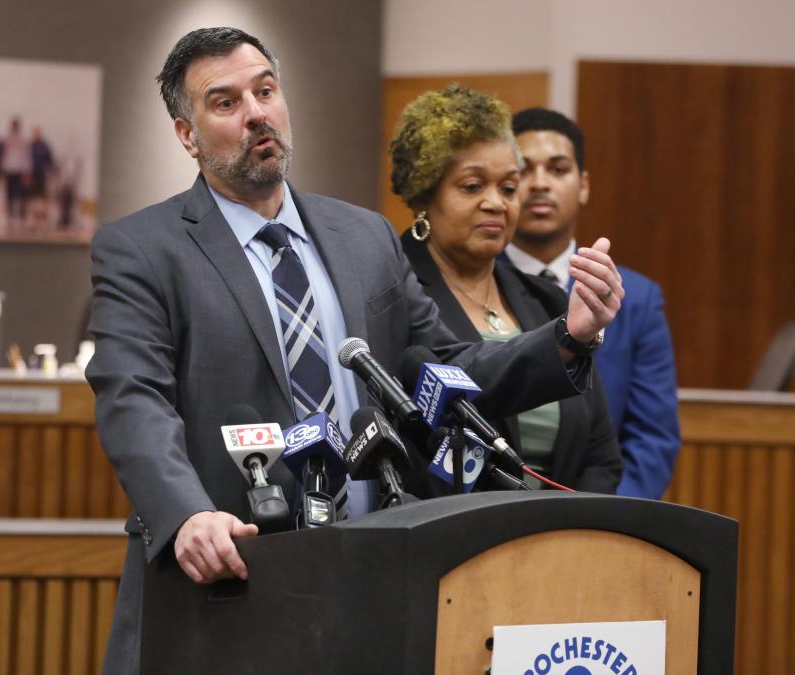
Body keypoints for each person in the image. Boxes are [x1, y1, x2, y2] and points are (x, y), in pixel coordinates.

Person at [86, 27, 624, 674]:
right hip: (226, 582)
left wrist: (569, 335)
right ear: (186, 135)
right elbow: (132, 399)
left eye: (265, 89)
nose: (257, 111)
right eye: (225, 102)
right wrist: (187, 514)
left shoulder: (363, 237)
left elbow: (443, 371)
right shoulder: (143, 249)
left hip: (369, 582)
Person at [391, 85, 622, 493]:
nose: (497, 203)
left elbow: (600, 453)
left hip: (562, 541)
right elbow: (460, 390)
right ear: (424, 195)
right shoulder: (393, 289)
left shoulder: (548, 298)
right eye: (472, 186)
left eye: (509, 188)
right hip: (451, 537)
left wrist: (573, 535)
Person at [504, 108, 680, 499]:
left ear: (583, 185)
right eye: (523, 170)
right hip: (493, 506)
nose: (539, 184)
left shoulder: (637, 297)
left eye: (558, 169)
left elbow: (653, 437)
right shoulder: (473, 283)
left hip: (604, 513)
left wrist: (606, 522)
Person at [1, 118, 30, 226]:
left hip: (20, 170)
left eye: (16, 126)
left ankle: (22, 216)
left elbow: (26, 156)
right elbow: (3, 155)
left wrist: (27, 171)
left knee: (21, 195)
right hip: (9, 170)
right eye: (13, 126)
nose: (14, 128)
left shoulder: (24, 139)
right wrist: (2, 170)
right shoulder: (6, 138)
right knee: (9, 195)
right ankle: (10, 216)